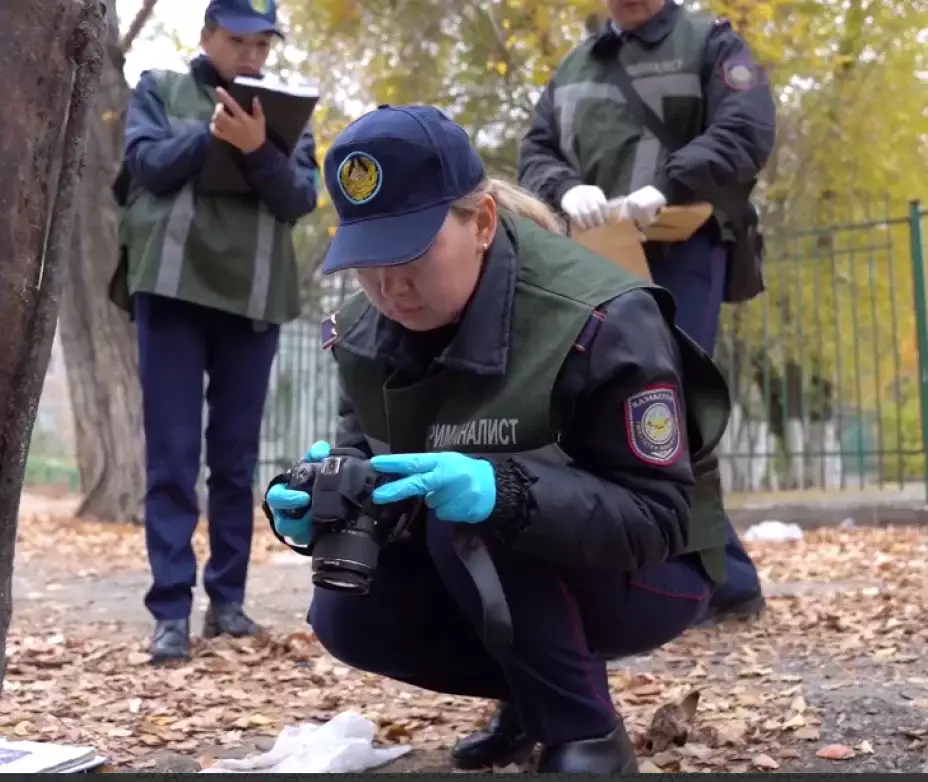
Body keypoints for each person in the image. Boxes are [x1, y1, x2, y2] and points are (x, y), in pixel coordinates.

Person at [260, 105, 732, 773]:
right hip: (504, 558)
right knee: (347, 611)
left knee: (476, 522)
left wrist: (499, 487)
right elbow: (368, 455)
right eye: (368, 260)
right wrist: (331, 495)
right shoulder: (364, 333)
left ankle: (585, 733)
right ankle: (532, 695)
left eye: (411, 252)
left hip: (655, 570)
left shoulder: (603, 317)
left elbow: (659, 518)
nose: (389, 286)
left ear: (481, 223)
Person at [517, 0, 776, 626]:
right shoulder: (575, 65)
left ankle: (715, 575)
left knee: (673, 401)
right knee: (610, 402)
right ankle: (714, 572)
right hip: (597, 253)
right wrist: (561, 187)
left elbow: (747, 128)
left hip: (683, 243)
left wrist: (672, 183)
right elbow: (536, 151)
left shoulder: (708, 43)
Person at [119, 0, 319, 663]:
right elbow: (144, 167)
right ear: (207, 36)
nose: (251, 55)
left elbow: (298, 199)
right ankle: (169, 611)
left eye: (263, 43)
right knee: (173, 458)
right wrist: (211, 136)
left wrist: (258, 149)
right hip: (172, 289)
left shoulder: (286, 111)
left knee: (234, 461)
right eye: (238, 41)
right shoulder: (160, 88)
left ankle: (227, 602)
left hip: (254, 299)